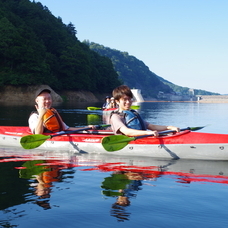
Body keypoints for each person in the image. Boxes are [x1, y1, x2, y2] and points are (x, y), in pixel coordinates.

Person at [110, 85, 180, 137]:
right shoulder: (116, 116)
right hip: (130, 140)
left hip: (141, 137)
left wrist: (169, 127)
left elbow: (152, 126)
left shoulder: (133, 113)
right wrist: (147, 133)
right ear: (117, 101)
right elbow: (126, 131)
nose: (128, 102)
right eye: (124, 100)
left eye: (129, 99)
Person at [29, 88, 95, 134]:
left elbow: (66, 128)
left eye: (49, 98)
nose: (48, 101)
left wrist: (85, 128)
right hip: (53, 139)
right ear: (37, 101)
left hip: (61, 135)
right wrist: (41, 115)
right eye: (44, 99)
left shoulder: (53, 112)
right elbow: (37, 134)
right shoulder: (34, 117)